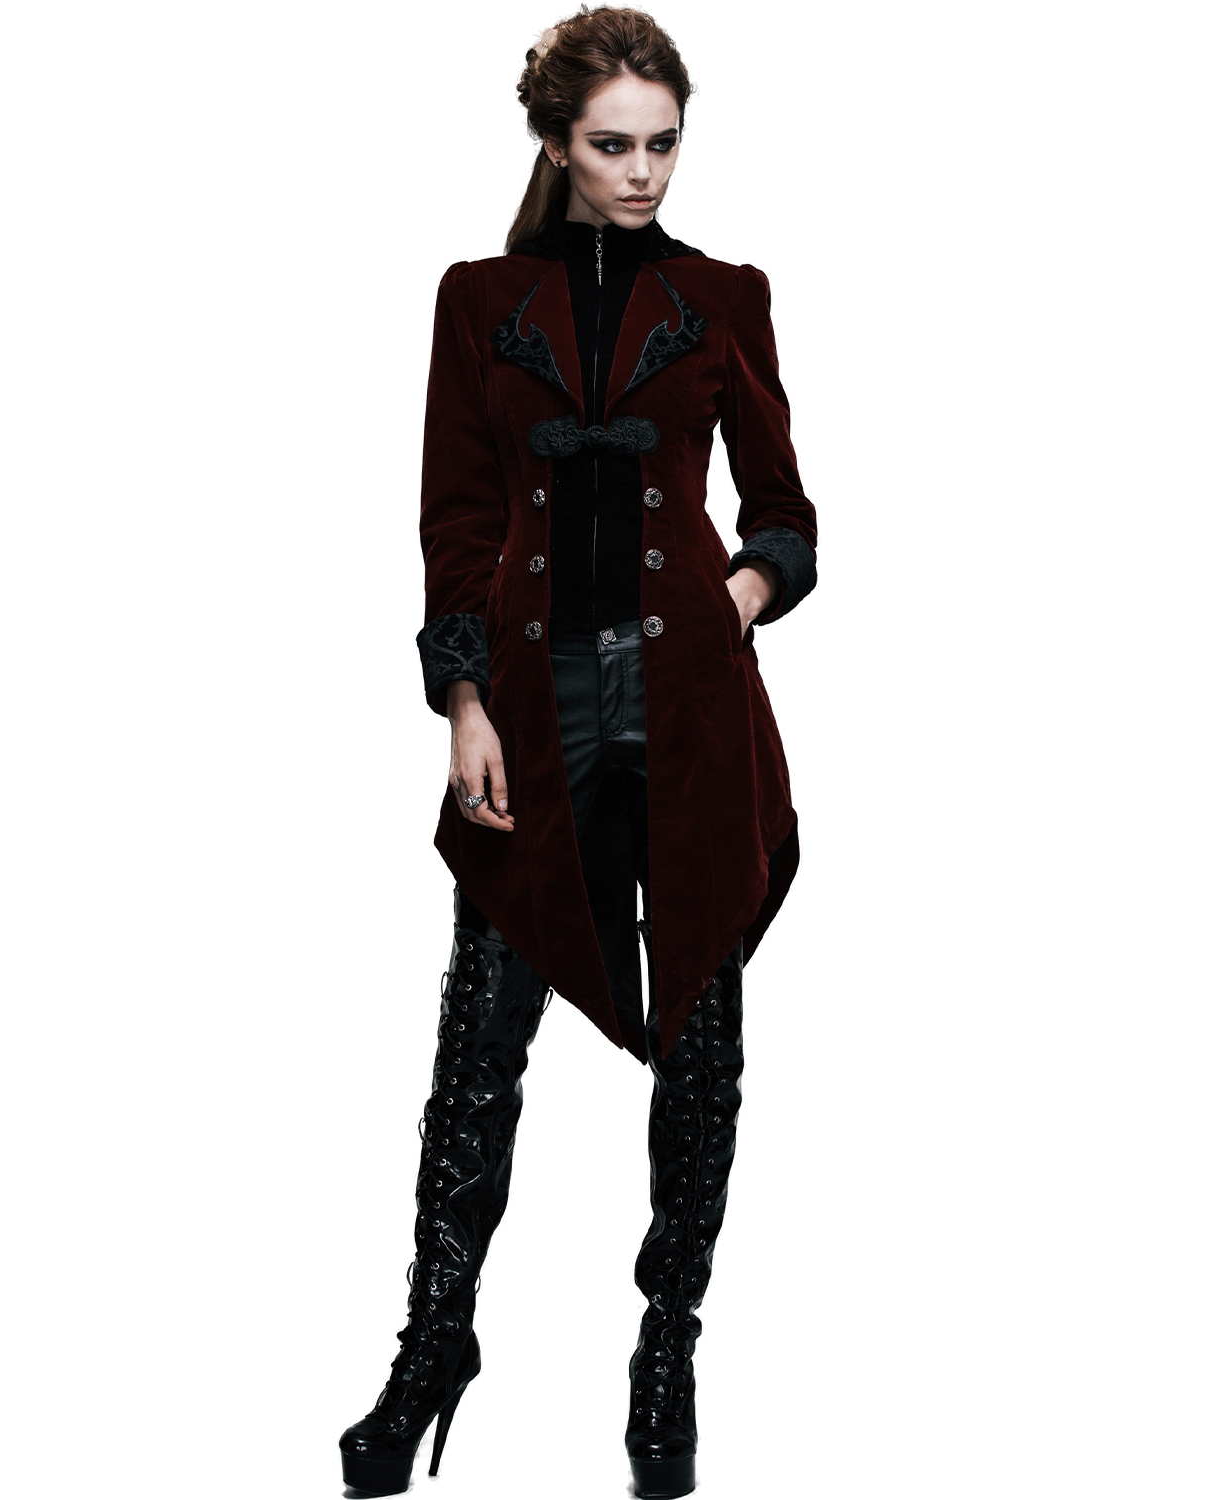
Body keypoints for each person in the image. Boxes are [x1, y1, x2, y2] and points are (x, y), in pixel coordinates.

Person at [339, 7, 818, 1496]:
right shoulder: (477, 301)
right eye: (614, 144)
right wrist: (464, 704)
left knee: (704, 1044)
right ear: (556, 143)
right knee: (479, 1045)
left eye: (664, 144)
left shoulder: (725, 297)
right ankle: (434, 1344)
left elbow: (786, 517)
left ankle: (667, 1352)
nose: (644, 172)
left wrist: (736, 599)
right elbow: (457, 519)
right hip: (534, 711)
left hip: (689, 712)